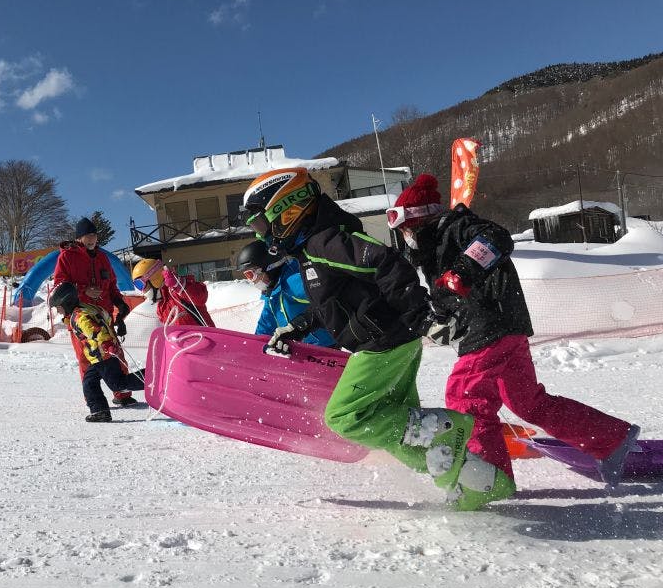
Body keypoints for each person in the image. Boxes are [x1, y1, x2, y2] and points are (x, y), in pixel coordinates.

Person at [242, 166, 515, 510]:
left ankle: (447, 429)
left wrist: (420, 315)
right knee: (404, 432)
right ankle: (480, 482)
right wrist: (298, 326)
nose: (264, 236)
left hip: (382, 343)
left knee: (344, 416)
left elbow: (388, 264)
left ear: (287, 209)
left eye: (263, 225)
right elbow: (336, 303)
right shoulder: (312, 251)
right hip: (389, 340)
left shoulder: (326, 242)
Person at [385, 173, 642, 487]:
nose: (406, 237)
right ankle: (611, 439)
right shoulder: (432, 251)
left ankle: (489, 483)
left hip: (491, 324)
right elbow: (446, 295)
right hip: (499, 328)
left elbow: (497, 239)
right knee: (527, 402)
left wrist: (463, 271)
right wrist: (439, 321)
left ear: (422, 220)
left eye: (407, 229)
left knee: (466, 398)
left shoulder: (457, 228)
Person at [53, 217, 137, 406]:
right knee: (87, 359)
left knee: (115, 355)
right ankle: (95, 402)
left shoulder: (102, 258)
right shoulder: (66, 257)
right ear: (79, 238)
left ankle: (122, 395)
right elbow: (59, 286)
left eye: (94, 235)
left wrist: (119, 304)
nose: (92, 239)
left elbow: (112, 285)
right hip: (80, 319)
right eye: (87, 236)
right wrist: (84, 290)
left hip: (104, 317)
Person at [48, 282, 145, 422]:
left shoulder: (80, 317)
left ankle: (151, 379)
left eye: (59, 308)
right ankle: (100, 411)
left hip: (103, 355)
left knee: (117, 384)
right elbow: (106, 316)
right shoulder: (87, 308)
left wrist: (106, 344)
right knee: (89, 382)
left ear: (67, 303)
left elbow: (97, 331)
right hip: (99, 357)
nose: (58, 312)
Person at [236, 240, 335, 347]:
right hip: (304, 348)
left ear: (268, 267)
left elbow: (329, 300)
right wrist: (255, 346)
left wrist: (306, 321)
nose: (251, 281)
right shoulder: (272, 292)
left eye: (250, 275)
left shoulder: (292, 283)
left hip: (325, 347)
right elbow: (266, 323)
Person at [130, 258, 215, 327]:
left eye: (140, 284)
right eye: (137, 285)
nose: (142, 290)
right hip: (184, 347)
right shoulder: (161, 307)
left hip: (207, 342)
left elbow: (200, 297)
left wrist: (180, 285)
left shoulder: (177, 292)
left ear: (154, 279)